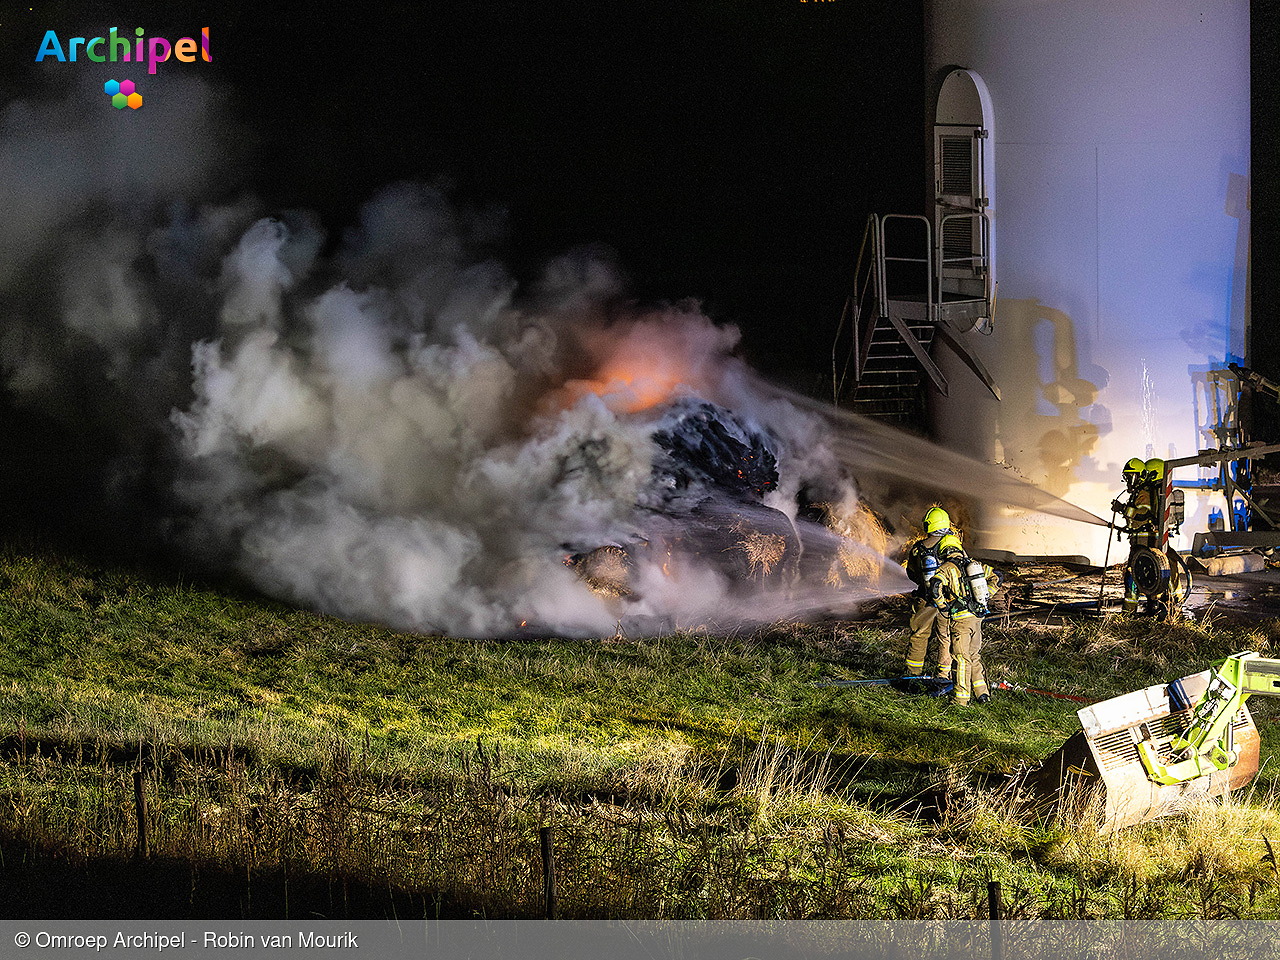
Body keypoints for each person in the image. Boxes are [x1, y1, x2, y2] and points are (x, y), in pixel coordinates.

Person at [903, 506, 964, 685]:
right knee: (945, 636)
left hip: (925, 598)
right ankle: (943, 676)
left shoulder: (918, 548)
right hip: (947, 599)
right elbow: (958, 564)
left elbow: (912, 573)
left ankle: (912, 675)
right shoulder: (950, 543)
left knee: (919, 634)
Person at [926, 550, 996, 706]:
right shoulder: (974, 564)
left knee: (961, 659)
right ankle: (982, 694)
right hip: (977, 618)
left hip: (961, 621)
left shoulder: (947, 567)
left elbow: (935, 585)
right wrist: (986, 597)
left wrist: (943, 606)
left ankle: (961, 699)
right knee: (974, 655)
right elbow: (997, 576)